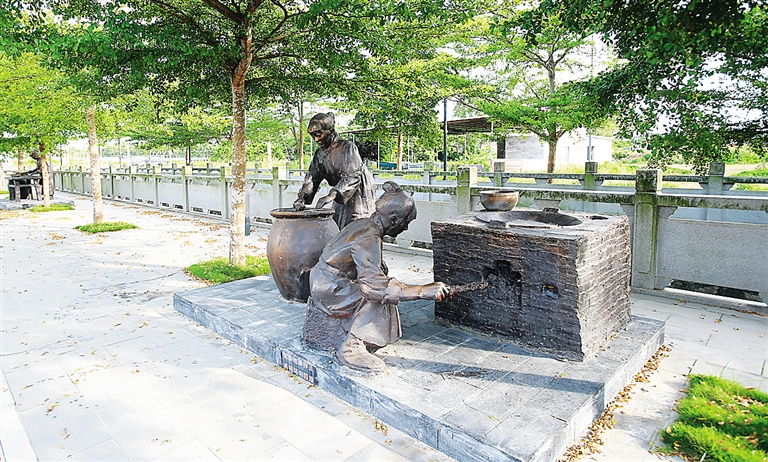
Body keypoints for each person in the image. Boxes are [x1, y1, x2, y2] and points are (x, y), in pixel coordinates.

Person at [306, 181, 448, 372]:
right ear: (394, 220)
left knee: (387, 286)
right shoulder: (369, 236)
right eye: (406, 222)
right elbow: (372, 287)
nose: (406, 228)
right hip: (330, 287)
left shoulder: (366, 223)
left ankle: (360, 337)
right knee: (381, 295)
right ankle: (351, 348)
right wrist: (421, 290)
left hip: (323, 278)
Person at [293, 112, 376, 229]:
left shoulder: (347, 147)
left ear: (331, 130)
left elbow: (353, 176)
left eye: (318, 134)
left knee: (356, 226)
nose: (316, 139)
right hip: (340, 192)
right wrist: (302, 197)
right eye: (312, 136)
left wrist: (332, 195)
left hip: (358, 191)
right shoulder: (319, 154)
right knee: (337, 224)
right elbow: (312, 178)